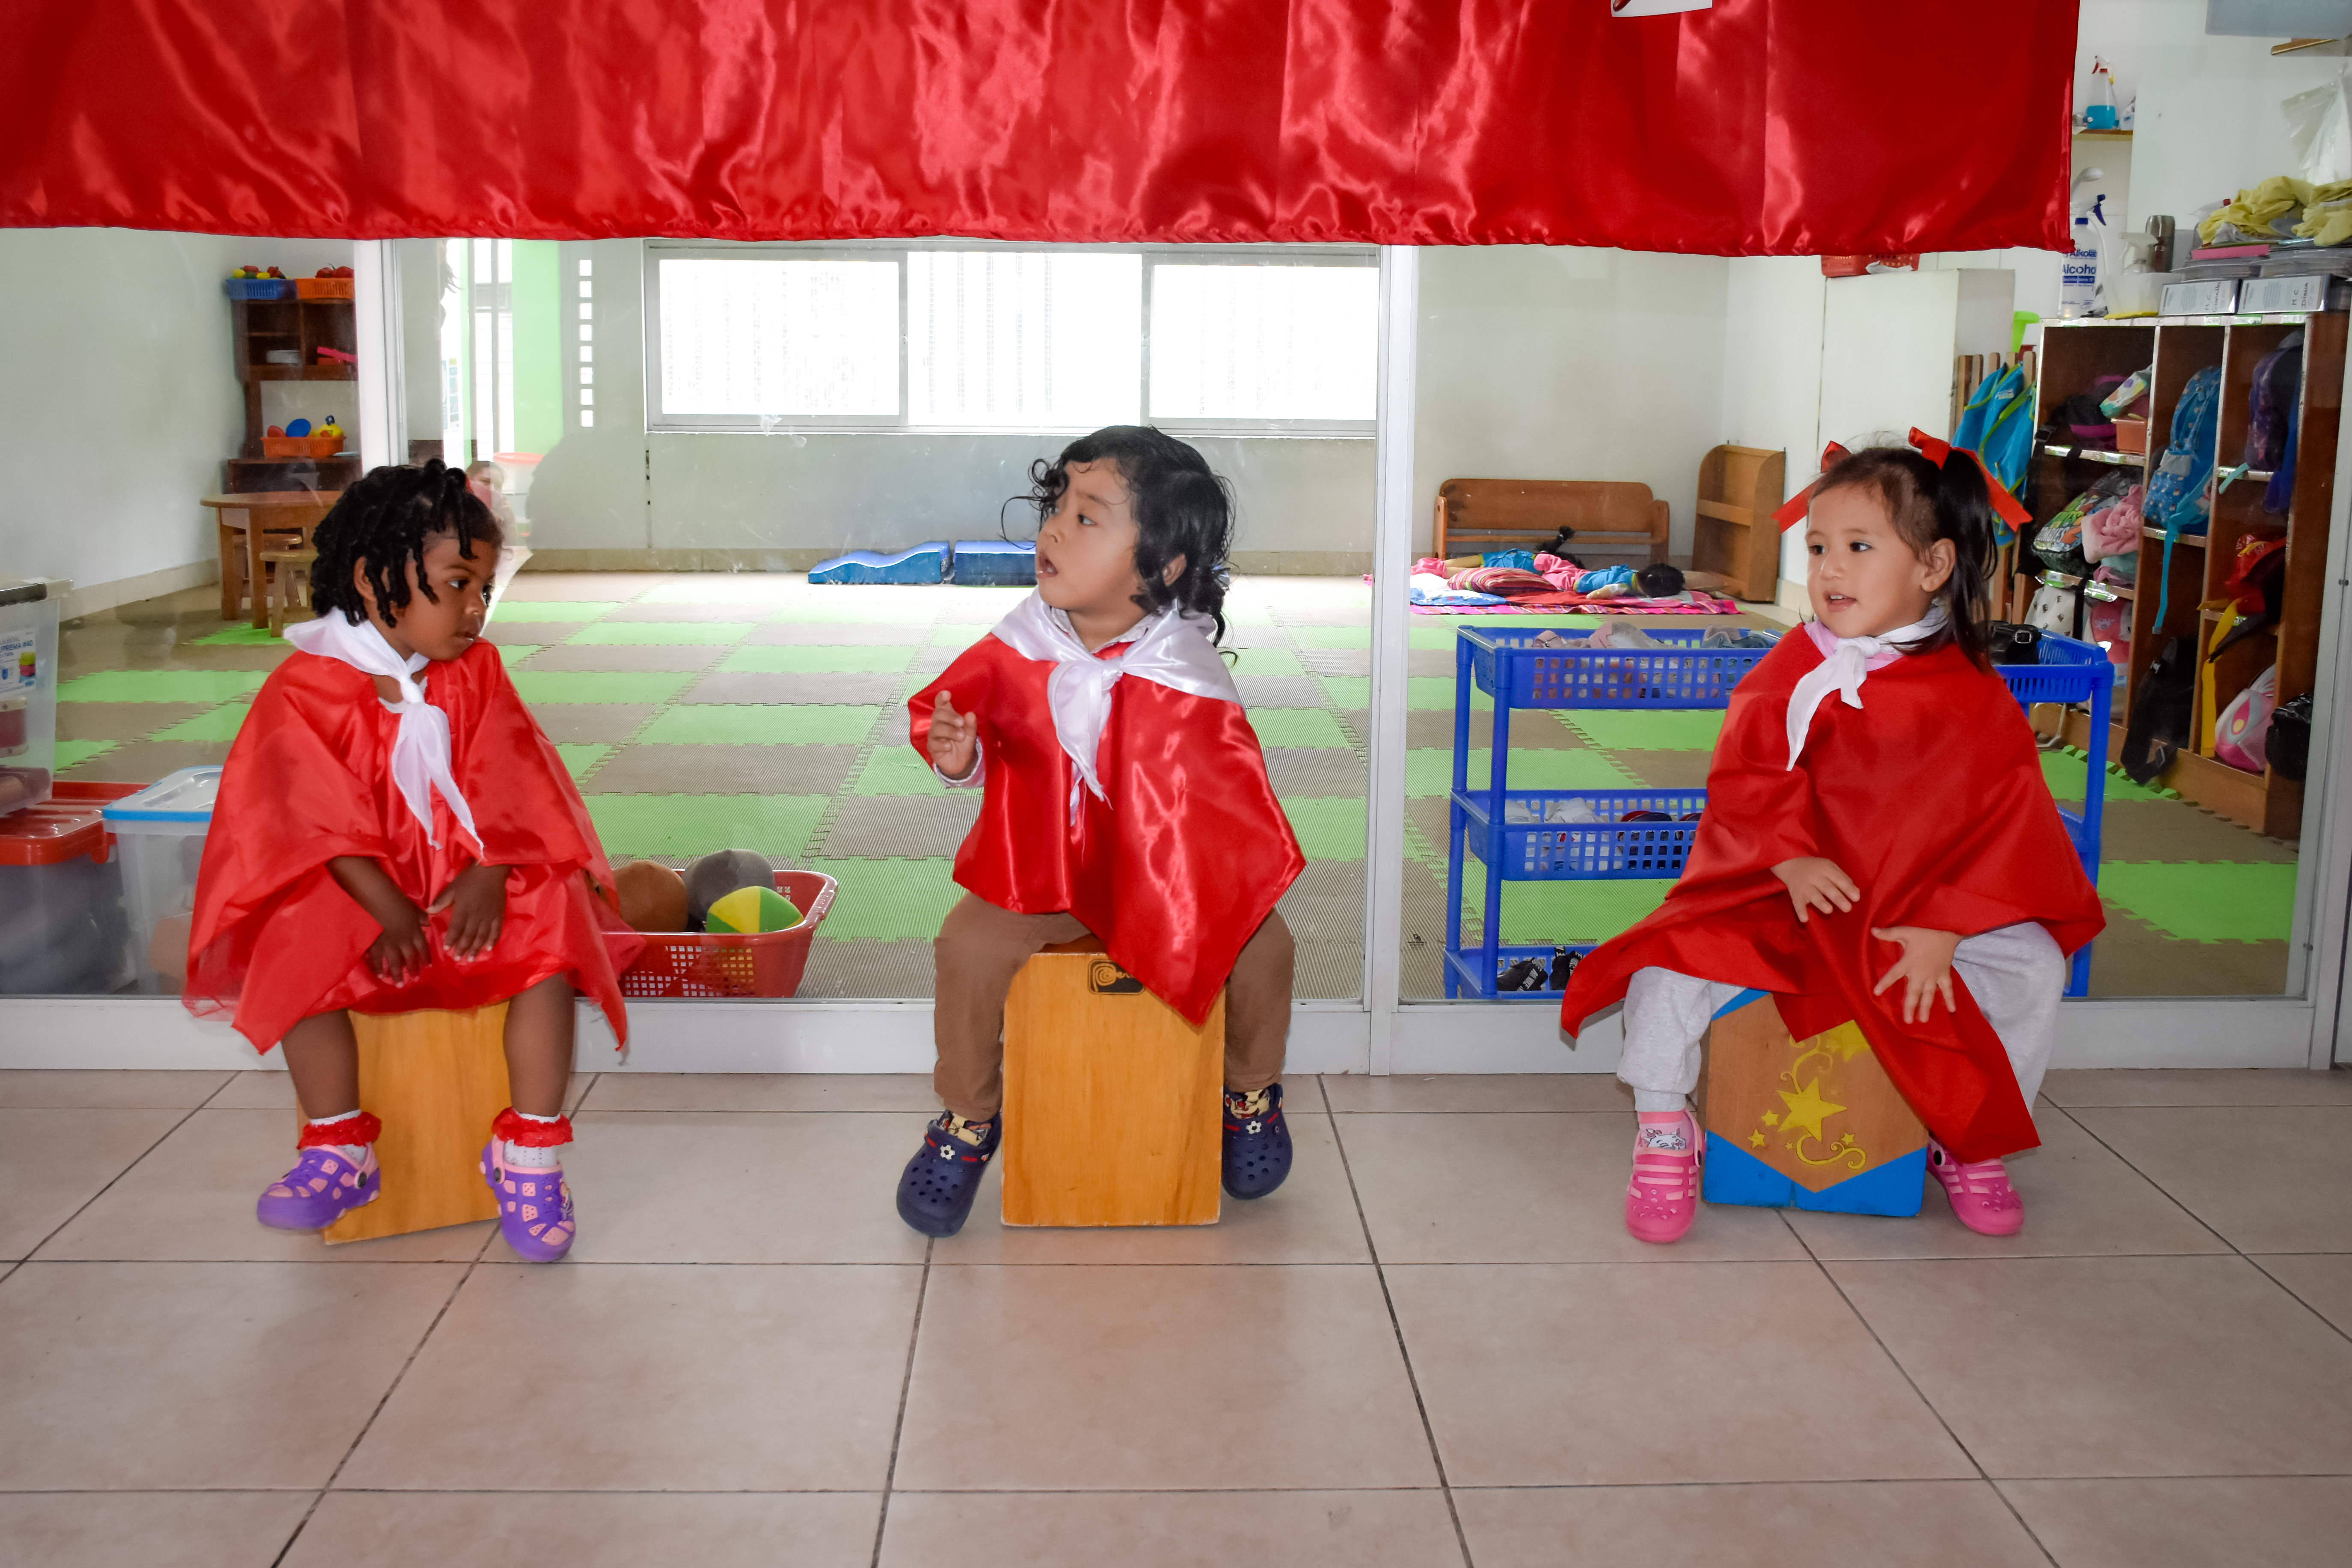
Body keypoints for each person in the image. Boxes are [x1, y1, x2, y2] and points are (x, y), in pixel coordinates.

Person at [1559, 441, 2104, 1243]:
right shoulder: (1795, 663)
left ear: (1932, 566)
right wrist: (1786, 854)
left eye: (1857, 547)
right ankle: (1666, 1124)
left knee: (2031, 965)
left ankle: (1971, 1134)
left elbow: (2003, 820)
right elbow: (1744, 772)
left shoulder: (1970, 690)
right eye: (1817, 548)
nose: (1828, 570)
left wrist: (1947, 922)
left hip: (1914, 911)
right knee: (1665, 966)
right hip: (1792, 896)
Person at [185, 460, 640, 1262]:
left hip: (464, 890)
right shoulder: (305, 687)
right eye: (458, 584)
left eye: (486, 590)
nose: (476, 609)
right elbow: (304, 819)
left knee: (554, 918)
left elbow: (516, 779)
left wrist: (490, 874)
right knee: (291, 927)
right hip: (365, 896)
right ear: (372, 578)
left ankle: (529, 1152)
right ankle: (338, 1147)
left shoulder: (479, 672)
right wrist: (385, 907)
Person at [898, 426, 1307, 1237]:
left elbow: (1229, 807)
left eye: (1088, 518)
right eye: (1058, 507)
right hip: (1039, 875)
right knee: (967, 947)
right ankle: (969, 1117)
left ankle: (1248, 1092)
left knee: (1267, 946)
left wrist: (1207, 889)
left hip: (1163, 883)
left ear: (1163, 562)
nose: (1053, 529)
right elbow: (956, 722)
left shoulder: (1184, 670)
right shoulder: (1017, 644)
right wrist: (957, 756)